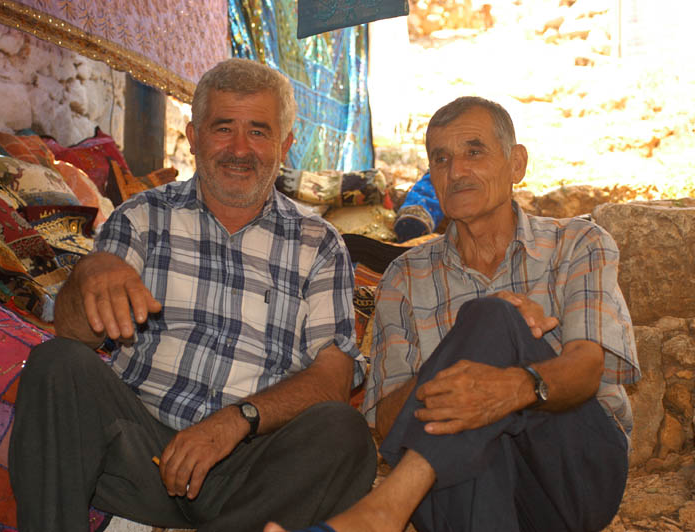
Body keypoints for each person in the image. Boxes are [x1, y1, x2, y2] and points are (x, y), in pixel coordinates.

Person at [8, 57, 377, 532]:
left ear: (285, 145)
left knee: (344, 433)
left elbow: (333, 379)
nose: (240, 149)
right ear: (194, 136)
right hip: (139, 454)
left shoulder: (319, 243)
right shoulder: (142, 217)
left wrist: (236, 421)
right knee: (57, 362)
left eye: (259, 132)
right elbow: (74, 331)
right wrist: (90, 274)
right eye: (223, 129)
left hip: (252, 466)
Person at [265, 96, 640, 532]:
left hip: (574, 474)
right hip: (466, 481)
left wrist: (511, 379)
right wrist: (461, 371)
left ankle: (384, 511)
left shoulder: (578, 244)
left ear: (516, 163)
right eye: (440, 159)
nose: (456, 171)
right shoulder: (404, 277)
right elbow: (388, 423)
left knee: (494, 319)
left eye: (474, 152)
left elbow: (587, 369)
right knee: (470, 416)